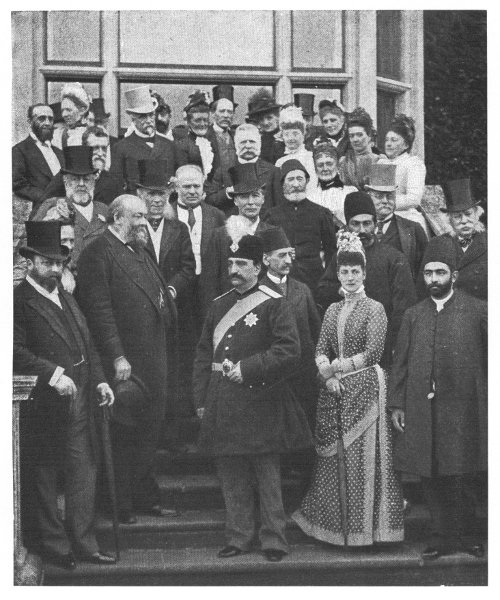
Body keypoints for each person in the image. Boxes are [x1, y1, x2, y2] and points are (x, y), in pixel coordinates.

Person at [193, 234, 312, 562]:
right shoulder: (219, 305)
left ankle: (274, 538)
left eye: (242, 264)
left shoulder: (275, 302)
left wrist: (249, 368)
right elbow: (204, 355)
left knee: (266, 472)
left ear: (258, 267)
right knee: (230, 471)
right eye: (231, 263)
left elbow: (290, 350)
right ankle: (239, 536)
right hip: (222, 398)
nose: (234, 269)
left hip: (260, 397)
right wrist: (201, 399)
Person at [14, 221, 116, 569]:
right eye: (47, 262)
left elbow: (89, 344)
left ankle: (85, 544)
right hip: (45, 403)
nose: (55, 269)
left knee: (83, 473)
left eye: (59, 262)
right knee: (44, 475)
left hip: (83, 397)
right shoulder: (17, 302)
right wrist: (53, 374)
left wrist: (101, 380)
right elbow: (12, 350)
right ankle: (56, 547)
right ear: (30, 262)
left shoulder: (67, 297)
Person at [293, 230, 404, 546]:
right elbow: (321, 348)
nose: (351, 276)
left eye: (356, 271)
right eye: (345, 271)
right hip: (334, 390)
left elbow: (373, 352)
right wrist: (326, 376)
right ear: (337, 273)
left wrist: (336, 368)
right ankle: (336, 531)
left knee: (361, 461)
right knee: (334, 458)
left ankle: (367, 532)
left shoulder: (375, 309)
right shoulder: (331, 310)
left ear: (365, 273)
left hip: (367, 387)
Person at [76, 195, 178, 523]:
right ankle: (119, 504)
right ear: (117, 217)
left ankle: (145, 496)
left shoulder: (140, 248)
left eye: (144, 216)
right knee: (124, 434)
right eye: (136, 216)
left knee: (149, 430)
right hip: (126, 363)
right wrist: (117, 356)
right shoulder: (97, 252)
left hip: (154, 357)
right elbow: (100, 310)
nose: (143, 222)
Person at [389, 236, 487, 560]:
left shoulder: (478, 311)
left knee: (463, 471)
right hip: (423, 407)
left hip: (464, 407)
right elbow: (400, 363)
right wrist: (397, 404)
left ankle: (469, 537)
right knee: (430, 473)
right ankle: (440, 536)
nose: (433, 279)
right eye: (428, 273)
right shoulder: (414, 315)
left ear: (453, 276)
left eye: (440, 273)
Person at [316, 191, 416, 368]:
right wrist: (341, 290)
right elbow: (322, 289)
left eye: (367, 223)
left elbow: (404, 307)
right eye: (355, 224)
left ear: (375, 224)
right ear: (347, 227)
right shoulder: (341, 257)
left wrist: (395, 345)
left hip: (383, 344)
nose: (362, 230)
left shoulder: (394, 258)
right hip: (345, 346)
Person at [259, 226, 321, 430]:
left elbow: (315, 333)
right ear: (266, 259)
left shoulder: (302, 290)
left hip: (303, 377)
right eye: (281, 255)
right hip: (272, 379)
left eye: (289, 254)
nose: (288, 261)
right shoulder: (256, 292)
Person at [200, 162, 273, 310]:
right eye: (244, 197)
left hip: (265, 309)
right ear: (235, 200)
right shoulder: (220, 235)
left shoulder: (272, 233)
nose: (251, 202)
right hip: (229, 310)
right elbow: (209, 283)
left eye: (255, 196)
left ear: (263, 199)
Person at [266, 159, 336, 292]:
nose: (296, 184)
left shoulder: (321, 213)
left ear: (307, 181)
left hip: (315, 279)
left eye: (300, 178)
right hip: (283, 278)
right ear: (283, 184)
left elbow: (331, 251)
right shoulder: (272, 216)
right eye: (290, 179)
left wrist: (327, 281)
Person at [33, 146, 108, 268]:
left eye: (87, 179)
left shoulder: (104, 210)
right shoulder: (51, 205)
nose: (82, 184)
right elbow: (33, 245)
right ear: (65, 181)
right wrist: (64, 270)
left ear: (94, 181)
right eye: (75, 179)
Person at [417, 179, 487, 301]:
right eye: (457, 216)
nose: (464, 220)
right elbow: (423, 287)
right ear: (449, 220)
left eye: (468, 214)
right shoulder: (436, 244)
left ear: (477, 214)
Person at [365, 162, 428, 279]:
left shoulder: (413, 229)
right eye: (379, 196)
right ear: (369, 196)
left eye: (389, 196)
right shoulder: (359, 228)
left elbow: (423, 271)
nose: (385, 201)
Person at [110, 85, 176, 193]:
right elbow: (116, 186)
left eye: (151, 115)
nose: (149, 120)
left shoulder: (169, 145)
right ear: (133, 119)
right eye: (143, 116)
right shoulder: (121, 147)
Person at [206, 123, 282, 216]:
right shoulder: (223, 170)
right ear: (236, 145)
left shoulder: (273, 171)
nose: (248, 146)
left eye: (252, 141)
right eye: (243, 142)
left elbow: (279, 206)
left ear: (259, 144)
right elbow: (210, 200)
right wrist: (227, 193)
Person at [41, 127, 122, 206]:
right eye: (96, 148)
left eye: (104, 148)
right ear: (84, 149)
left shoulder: (113, 182)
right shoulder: (66, 176)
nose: (101, 154)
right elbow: (43, 207)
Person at [378, 114, 428, 232]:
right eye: (387, 140)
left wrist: (385, 204)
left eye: (394, 140)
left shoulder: (413, 164)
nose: (388, 144)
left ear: (406, 145)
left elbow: (413, 199)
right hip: (381, 216)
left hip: (406, 216)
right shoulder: (381, 163)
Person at [12, 104, 64, 215]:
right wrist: (48, 199)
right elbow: (18, 185)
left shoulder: (59, 153)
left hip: (66, 210)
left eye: (50, 119)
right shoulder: (19, 150)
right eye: (41, 118)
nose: (47, 123)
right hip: (40, 212)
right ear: (30, 121)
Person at [308, 143, 357, 227]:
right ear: (315, 168)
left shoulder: (351, 192)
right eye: (320, 165)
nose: (325, 169)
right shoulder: (310, 198)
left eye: (329, 164)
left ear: (338, 165)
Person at [174, 90, 219, 181]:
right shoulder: (181, 146)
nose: (202, 124)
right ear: (189, 122)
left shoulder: (214, 143)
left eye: (205, 120)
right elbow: (185, 177)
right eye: (198, 120)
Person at [275, 105, 318, 196]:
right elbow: (277, 188)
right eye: (286, 134)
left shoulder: (310, 157)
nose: (291, 138)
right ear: (282, 136)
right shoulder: (280, 162)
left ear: (303, 134)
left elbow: (312, 185)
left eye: (295, 134)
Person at [339, 107, 385, 190]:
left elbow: (385, 194)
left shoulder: (380, 161)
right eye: (351, 136)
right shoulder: (343, 162)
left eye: (360, 135)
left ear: (369, 136)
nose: (355, 139)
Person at [207, 85, 238, 188]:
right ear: (212, 114)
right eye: (222, 111)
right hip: (212, 192)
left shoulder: (236, 136)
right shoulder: (205, 136)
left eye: (229, 112)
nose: (226, 115)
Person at [246, 88, 284, 164]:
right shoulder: (259, 141)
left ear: (277, 117)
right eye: (261, 119)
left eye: (269, 118)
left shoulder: (285, 137)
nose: (265, 122)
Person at [52, 82, 91, 149]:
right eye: (62, 110)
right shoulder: (58, 136)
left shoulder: (92, 134)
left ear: (82, 110)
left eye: (68, 110)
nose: (64, 115)